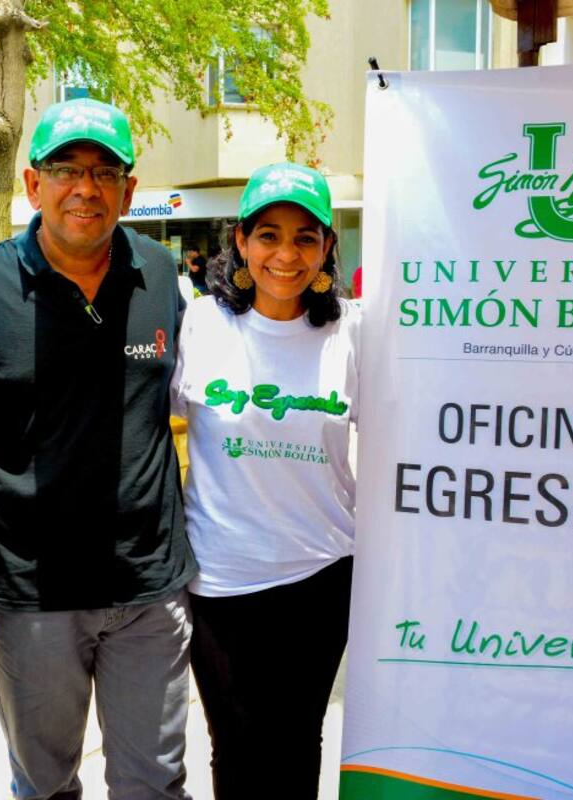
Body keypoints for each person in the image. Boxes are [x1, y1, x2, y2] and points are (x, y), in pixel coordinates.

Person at [0, 97, 197, 800]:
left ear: (129, 188)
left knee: (154, 785)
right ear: (32, 184)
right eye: (65, 169)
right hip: (33, 594)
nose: (84, 188)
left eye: (103, 171)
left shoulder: (157, 271)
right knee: (46, 786)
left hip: (148, 586)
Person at [171, 162, 358, 799]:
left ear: (328, 248)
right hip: (223, 579)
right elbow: (152, 424)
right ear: (242, 243)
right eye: (269, 234)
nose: (287, 253)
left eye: (307, 237)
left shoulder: (350, 334)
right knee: (237, 744)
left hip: (322, 574)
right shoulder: (201, 324)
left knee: (300, 740)